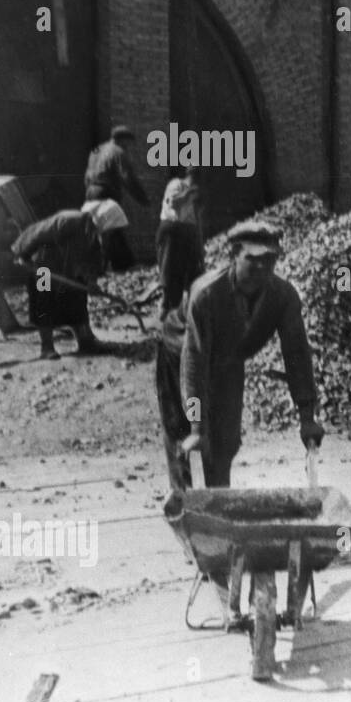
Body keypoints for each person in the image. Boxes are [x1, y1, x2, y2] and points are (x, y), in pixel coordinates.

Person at [180, 222, 323, 487]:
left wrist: (307, 418)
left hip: (229, 361)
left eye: (270, 259)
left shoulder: (283, 296)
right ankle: (188, 512)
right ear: (234, 254)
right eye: (253, 259)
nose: (263, 268)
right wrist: (197, 426)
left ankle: (218, 505)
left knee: (226, 442)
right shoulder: (207, 294)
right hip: (181, 351)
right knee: (189, 446)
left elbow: (297, 356)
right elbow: (194, 366)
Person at [155, 178, 205, 492]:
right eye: (190, 204)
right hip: (180, 325)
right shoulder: (172, 231)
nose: (195, 210)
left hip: (191, 318)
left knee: (192, 411)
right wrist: (173, 317)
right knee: (178, 417)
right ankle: (181, 489)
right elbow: (170, 277)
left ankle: (194, 486)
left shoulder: (184, 228)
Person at [11, 208, 106, 359]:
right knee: (44, 303)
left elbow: (94, 260)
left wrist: (92, 282)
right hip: (42, 265)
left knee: (78, 300)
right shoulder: (70, 220)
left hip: (68, 269)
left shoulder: (95, 236)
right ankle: (47, 348)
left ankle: (85, 342)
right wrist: (23, 254)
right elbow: (38, 233)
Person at [84, 125, 149, 271]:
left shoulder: (96, 151)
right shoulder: (118, 152)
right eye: (128, 143)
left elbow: (87, 176)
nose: (129, 147)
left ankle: (111, 265)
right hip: (105, 194)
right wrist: (141, 197)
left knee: (104, 231)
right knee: (113, 229)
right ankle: (124, 265)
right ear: (123, 140)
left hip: (90, 194)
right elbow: (127, 177)